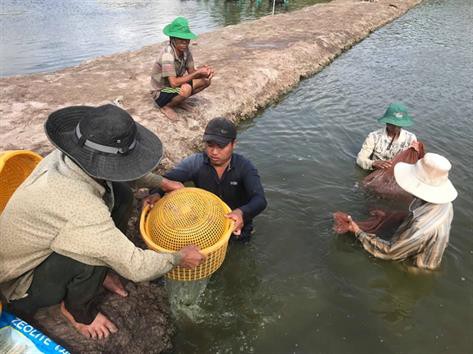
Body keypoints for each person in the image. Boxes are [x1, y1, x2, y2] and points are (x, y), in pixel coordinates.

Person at [0, 104, 205, 340]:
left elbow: (120, 171)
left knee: (123, 194)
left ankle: (101, 272)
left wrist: (162, 182)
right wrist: (178, 257)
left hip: (48, 237)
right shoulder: (80, 208)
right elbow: (137, 267)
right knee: (92, 255)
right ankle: (78, 311)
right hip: (22, 282)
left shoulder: (71, 154)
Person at [150, 117, 267, 241]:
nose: (214, 152)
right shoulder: (195, 163)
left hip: (237, 225)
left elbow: (259, 200)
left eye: (221, 146)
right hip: (207, 224)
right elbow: (166, 180)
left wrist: (241, 213)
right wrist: (157, 193)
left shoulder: (244, 167)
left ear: (234, 144)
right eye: (210, 145)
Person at [345, 152, 457, 270]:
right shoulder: (446, 204)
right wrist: (390, 216)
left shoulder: (421, 228)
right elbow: (418, 215)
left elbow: (390, 252)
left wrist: (358, 232)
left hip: (415, 268)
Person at [150, 17, 214, 121]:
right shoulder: (167, 55)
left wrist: (205, 72)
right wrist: (198, 73)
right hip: (161, 91)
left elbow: (192, 72)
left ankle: (178, 101)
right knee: (186, 89)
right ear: (172, 39)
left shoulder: (186, 51)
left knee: (206, 81)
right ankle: (167, 106)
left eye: (186, 39)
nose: (185, 42)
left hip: (173, 88)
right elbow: (174, 83)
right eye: (181, 39)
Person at [357, 102, 418, 170]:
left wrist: (415, 152)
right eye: (392, 124)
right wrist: (373, 164)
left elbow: (413, 163)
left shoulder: (410, 138)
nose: (395, 128)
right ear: (386, 122)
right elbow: (360, 160)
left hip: (397, 172)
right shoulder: (374, 137)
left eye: (398, 125)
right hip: (375, 171)